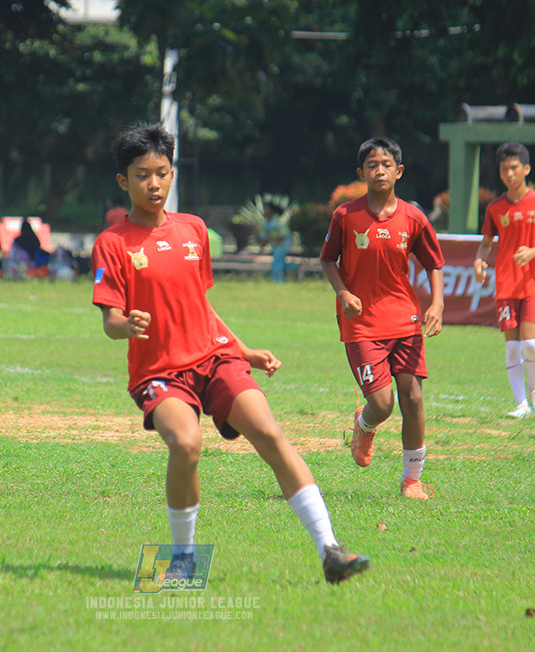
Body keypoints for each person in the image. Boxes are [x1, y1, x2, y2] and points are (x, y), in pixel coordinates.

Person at [92, 123, 369, 584]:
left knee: (269, 432)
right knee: (186, 444)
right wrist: (125, 325)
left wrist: (244, 350)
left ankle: (331, 550)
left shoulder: (193, 230)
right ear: (124, 181)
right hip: (160, 371)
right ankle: (183, 559)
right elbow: (110, 323)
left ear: (172, 172)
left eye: (161, 172)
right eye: (142, 175)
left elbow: (200, 305)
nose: (154, 184)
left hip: (214, 358)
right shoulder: (112, 244)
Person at [319, 137, 445, 500]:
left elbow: (434, 262)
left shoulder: (413, 217)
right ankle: (364, 424)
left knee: (414, 398)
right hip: (361, 325)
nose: (380, 170)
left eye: (386, 164)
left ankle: (411, 480)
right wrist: (342, 292)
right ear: (361, 173)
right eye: (372, 165)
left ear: (399, 171)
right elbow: (327, 259)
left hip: (405, 320)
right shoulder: (345, 215)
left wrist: (436, 304)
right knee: (382, 404)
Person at [473, 142, 535, 418]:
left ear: (526, 169)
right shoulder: (496, 207)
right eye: (504, 169)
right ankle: (520, 404)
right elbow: (486, 243)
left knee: (531, 343)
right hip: (506, 285)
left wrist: (534, 251)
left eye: (514, 168)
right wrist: (479, 260)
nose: (509, 174)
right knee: (512, 348)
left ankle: (534, 388)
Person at [257, 201, 291, 283]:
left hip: (283, 245)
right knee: (279, 261)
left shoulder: (278, 222)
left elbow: (284, 235)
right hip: (275, 246)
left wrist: (271, 239)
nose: (264, 211)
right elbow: (263, 237)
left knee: (277, 261)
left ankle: (278, 280)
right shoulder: (265, 224)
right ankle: (295, 267)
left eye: (266, 209)